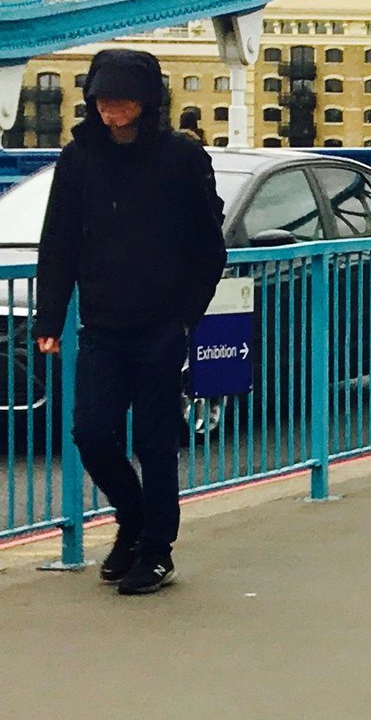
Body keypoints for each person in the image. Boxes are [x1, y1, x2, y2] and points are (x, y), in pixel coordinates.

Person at [32, 46, 227, 597]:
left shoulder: (183, 159)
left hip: (162, 326)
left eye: (122, 102)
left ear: (147, 103)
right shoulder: (78, 160)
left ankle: (157, 551)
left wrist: (186, 318)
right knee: (91, 433)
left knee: (156, 441)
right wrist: (49, 316)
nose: (111, 112)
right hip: (102, 325)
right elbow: (59, 243)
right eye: (102, 102)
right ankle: (134, 519)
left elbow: (208, 249)